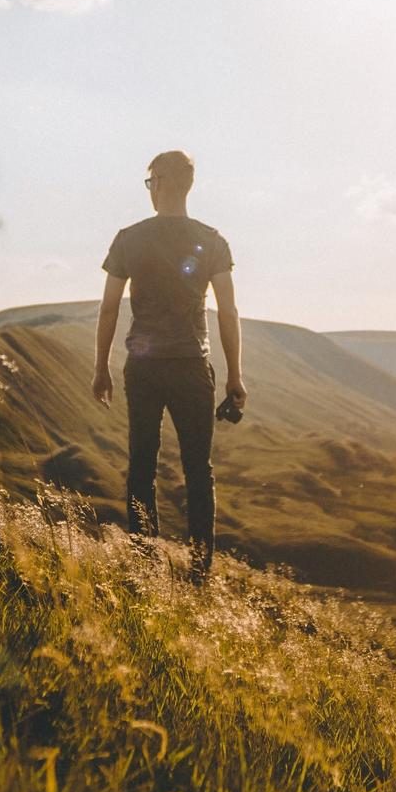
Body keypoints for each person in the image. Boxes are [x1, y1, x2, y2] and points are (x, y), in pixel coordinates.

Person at [92, 149, 248, 581]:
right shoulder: (213, 240)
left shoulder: (129, 238)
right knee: (199, 470)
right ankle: (199, 573)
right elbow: (229, 312)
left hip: (143, 368)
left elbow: (108, 309)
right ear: (189, 185)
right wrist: (234, 375)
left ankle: (145, 563)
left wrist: (101, 367)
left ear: (159, 183)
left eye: (149, 183)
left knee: (142, 464)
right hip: (192, 367)